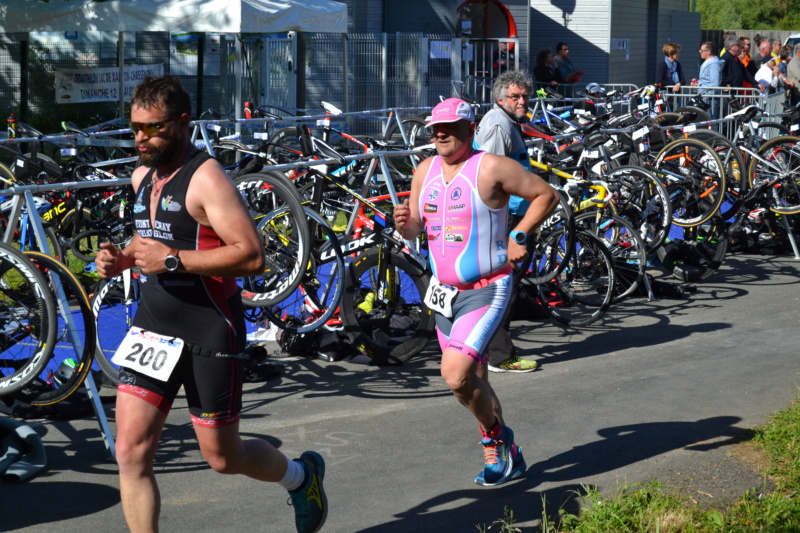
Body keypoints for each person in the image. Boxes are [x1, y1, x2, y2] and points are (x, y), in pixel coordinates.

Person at [95, 75, 328, 533]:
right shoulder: (143, 175)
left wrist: (173, 260)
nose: (140, 139)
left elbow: (252, 255)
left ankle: (301, 478)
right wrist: (122, 258)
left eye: (152, 128)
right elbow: (153, 242)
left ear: (182, 123)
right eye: (134, 128)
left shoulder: (207, 179)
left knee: (223, 456)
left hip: (208, 329)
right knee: (130, 451)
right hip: (153, 328)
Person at [393, 98, 558, 486]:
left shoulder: (491, 167)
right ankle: (507, 456)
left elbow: (546, 195)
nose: (440, 134)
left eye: (449, 127)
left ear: (470, 129)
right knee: (473, 382)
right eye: (435, 128)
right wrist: (405, 224)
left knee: (454, 374)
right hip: (443, 294)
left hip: (487, 289)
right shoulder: (425, 170)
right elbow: (416, 228)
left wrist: (519, 233)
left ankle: (495, 437)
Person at [474, 71, 541, 374]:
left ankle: (491, 349)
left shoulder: (504, 121)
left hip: (511, 215)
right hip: (508, 218)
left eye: (525, 96)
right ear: (500, 99)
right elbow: (489, 176)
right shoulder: (499, 126)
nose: (522, 101)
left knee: (504, 284)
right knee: (505, 285)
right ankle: (499, 355)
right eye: (515, 96)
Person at [694, 41, 723, 118]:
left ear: (709, 52)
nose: (700, 52)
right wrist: (697, 83)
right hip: (705, 96)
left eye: (702, 50)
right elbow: (706, 80)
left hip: (710, 98)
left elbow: (715, 83)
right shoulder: (706, 62)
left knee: (712, 122)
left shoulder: (714, 63)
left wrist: (701, 86)